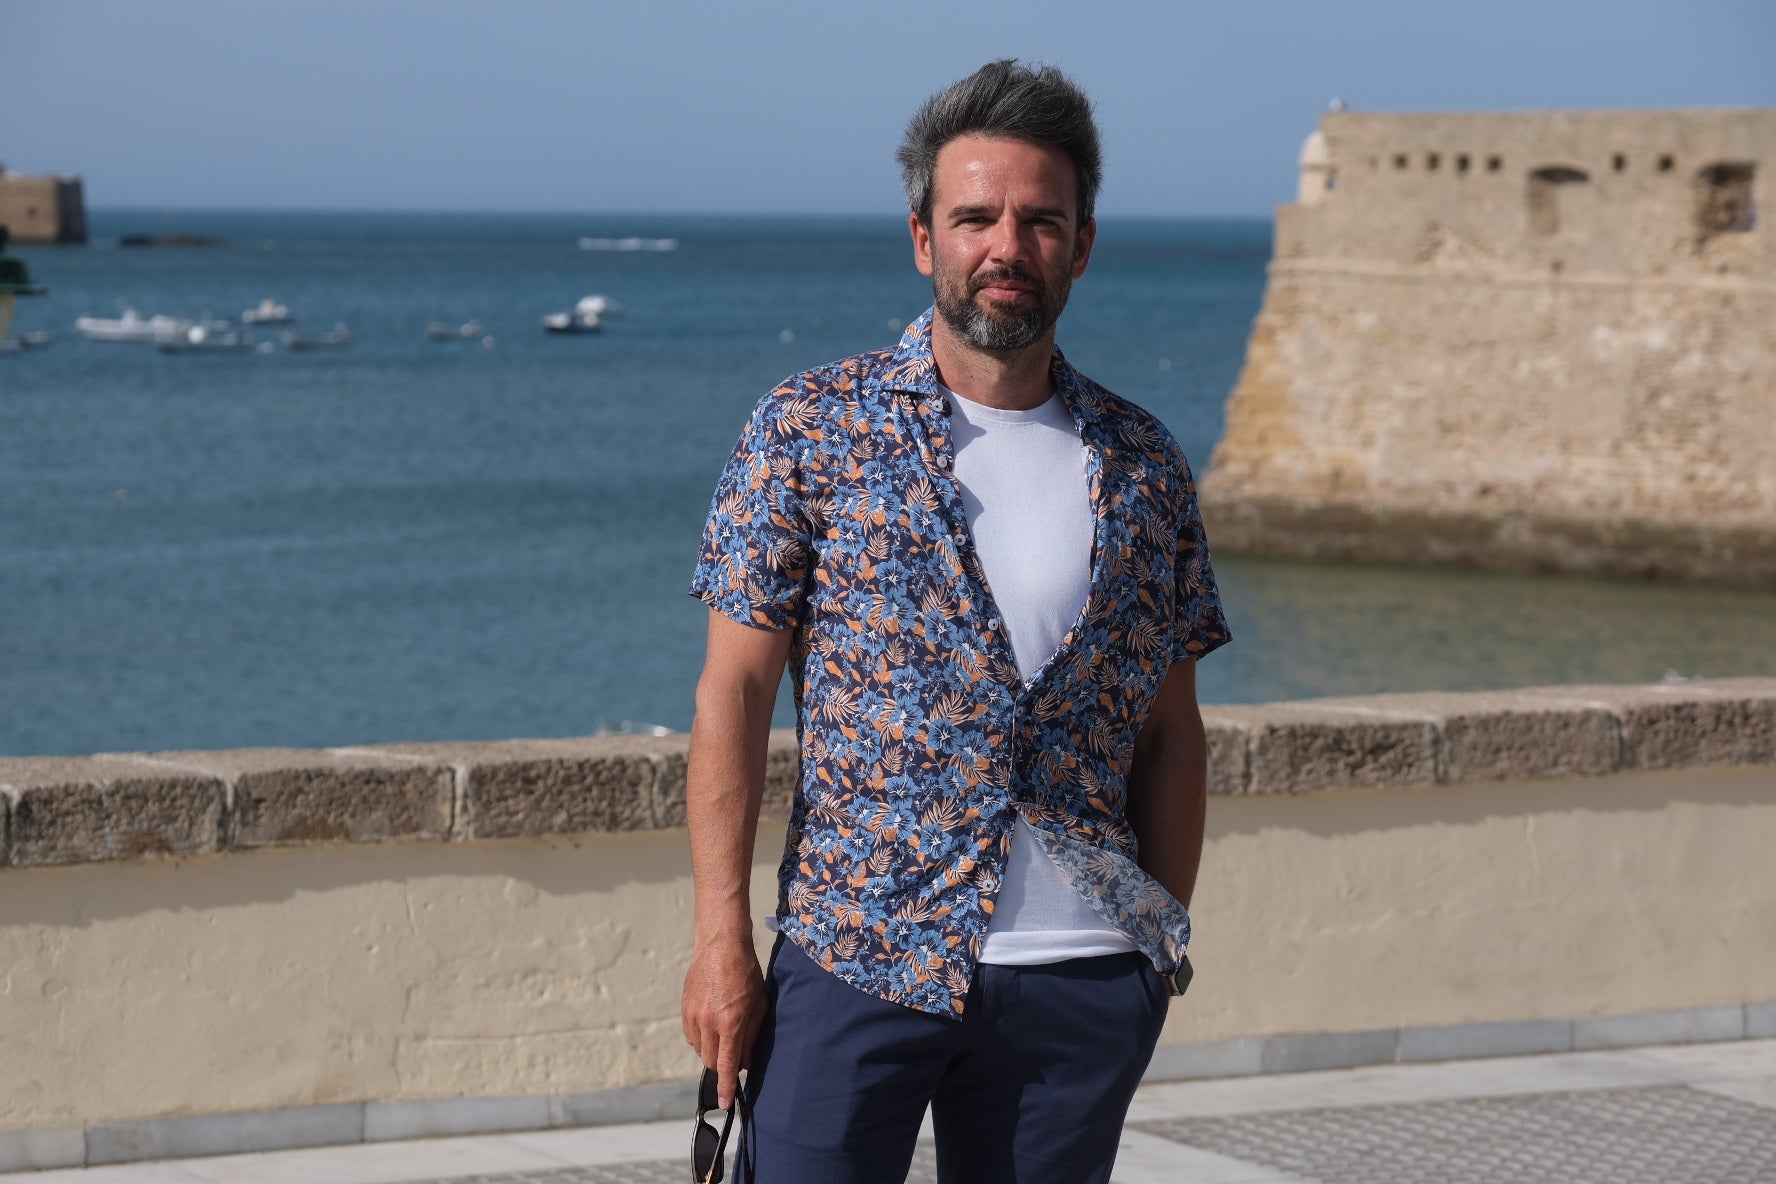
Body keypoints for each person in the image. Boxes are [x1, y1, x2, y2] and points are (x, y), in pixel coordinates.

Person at [682, 59, 1230, 1184]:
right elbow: (732, 695)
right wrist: (720, 939)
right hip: (857, 955)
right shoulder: (809, 428)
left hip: (1080, 976)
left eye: (1040, 220)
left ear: (1080, 246)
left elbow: (1172, 728)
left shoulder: (1142, 464)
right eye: (975, 215)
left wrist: (1153, 947)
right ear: (924, 238)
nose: (1006, 244)